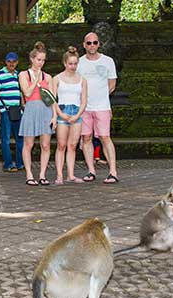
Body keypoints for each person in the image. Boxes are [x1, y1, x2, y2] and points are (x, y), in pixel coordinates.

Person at [77, 32, 119, 184]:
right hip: (85, 107)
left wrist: (100, 95)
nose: (92, 45)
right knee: (86, 137)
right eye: (89, 43)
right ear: (84, 45)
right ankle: (91, 170)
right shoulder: (79, 63)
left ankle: (113, 171)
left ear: (99, 44)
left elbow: (112, 84)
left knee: (105, 137)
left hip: (102, 106)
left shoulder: (108, 61)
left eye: (95, 42)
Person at [19, 42, 56, 186]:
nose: (41, 63)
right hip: (31, 109)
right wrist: (36, 79)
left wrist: (54, 116)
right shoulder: (23, 74)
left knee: (45, 145)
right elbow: (27, 92)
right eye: (39, 59)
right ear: (32, 59)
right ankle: (29, 174)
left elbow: (52, 98)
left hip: (45, 110)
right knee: (28, 144)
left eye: (43, 60)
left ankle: (42, 174)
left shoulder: (48, 77)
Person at [52, 47, 87, 185]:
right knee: (61, 145)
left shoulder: (82, 80)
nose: (73, 66)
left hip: (76, 112)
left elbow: (84, 100)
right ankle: (59, 175)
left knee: (72, 145)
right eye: (70, 63)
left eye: (75, 63)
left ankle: (71, 175)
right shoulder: (57, 78)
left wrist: (77, 114)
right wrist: (60, 114)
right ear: (65, 63)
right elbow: (52, 99)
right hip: (62, 110)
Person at [0, 52, 24, 173]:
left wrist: (23, 106)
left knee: (20, 138)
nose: (11, 63)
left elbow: (21, 92)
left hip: (18, 110)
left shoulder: (18, 75)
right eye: (9, 61)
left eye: (14, 61)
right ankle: (8, 164)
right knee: (5, 139)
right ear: (5, 62)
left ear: (17, 62)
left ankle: (20, 162)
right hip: (5, 110)